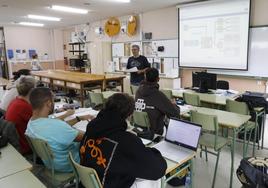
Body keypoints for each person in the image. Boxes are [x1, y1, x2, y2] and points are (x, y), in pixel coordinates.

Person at [80, 93, 167, 188]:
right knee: (152, 180)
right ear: (129, 115)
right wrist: (153, 151)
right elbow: (157, 170)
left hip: (89, 182)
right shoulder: (127, 141)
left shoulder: (91, 127)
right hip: (108, 183)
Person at [25, 87, 94, 172]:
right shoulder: (55, 126)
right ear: (49, 104)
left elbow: (59, 127)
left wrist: (79, 118)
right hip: (69, 164)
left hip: (50, 163)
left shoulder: (31, 123)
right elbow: (86, 137)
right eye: (53, 100)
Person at [135, 68, 180, 135]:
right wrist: (173, 105)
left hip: (139, 129)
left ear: (145, 78)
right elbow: (175, 113)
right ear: (158, 79)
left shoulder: (138, 91)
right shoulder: (158, 95)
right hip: (155, 132)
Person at [5, 76, 35, 154]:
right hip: (25, 147)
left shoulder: (15, 102)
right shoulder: (24, 107)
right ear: (32, 91)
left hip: (16, 143)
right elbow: (40, 124)